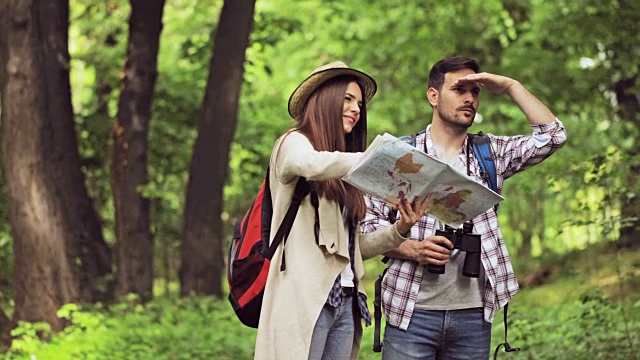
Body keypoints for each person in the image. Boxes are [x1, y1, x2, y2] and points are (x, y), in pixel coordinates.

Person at [361, 56, 568, 359]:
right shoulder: (400, 157)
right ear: (433, 95)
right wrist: (412, 249)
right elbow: (367, 227)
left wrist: (511, 86)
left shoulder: (490, 153)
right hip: (410, 311)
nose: (470, 98)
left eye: (476, 91)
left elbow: (553, 135)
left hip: (473, 314)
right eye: (460, 90)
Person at [254, 61, 430, 360]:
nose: (356, 109)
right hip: (304, 298)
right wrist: (376, 159)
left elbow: (355, 247)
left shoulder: (346, 173)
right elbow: (311, 163)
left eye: (359, 103)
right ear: (325, 100)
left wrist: (400, 229)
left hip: (346, 301)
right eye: (347, 99)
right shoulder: (292, 143)